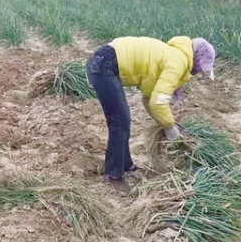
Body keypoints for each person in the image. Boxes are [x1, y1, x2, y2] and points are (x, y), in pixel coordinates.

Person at [85, 36, 215, 195]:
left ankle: (127, 165)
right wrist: (169, 127)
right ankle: (113, 175)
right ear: (197, 59)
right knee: (119, 122)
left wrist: (165, 122)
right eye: (201, 67)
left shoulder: (176, 55)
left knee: (123, 120)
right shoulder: (178, 62)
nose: (199, 72)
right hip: (105, 64)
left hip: (106, 61)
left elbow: (150, 98)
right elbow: (158, 102)